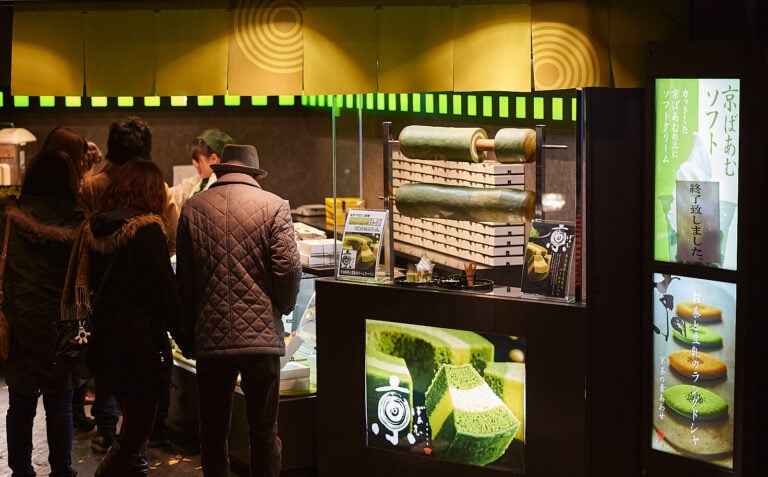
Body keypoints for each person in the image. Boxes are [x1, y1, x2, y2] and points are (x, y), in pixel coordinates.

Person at [176, 144, 302, 477]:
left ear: (220, 170)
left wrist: (188, 335)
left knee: (214, 431)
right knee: (264, 431)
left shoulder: (192, 208)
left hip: (211, 339)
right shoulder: (275, 206)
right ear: (254, 173)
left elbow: (184, 283)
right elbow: (288, 271)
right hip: (261, 341)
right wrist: (282, 309)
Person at [63, 159, 189, 476]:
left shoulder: (98, 227)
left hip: (106, 341)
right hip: (139, 344)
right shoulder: (147, 231)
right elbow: (165, 292)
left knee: (132, 424)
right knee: (136, 432)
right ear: (151, 192)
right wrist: (187, 339)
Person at [78, 117, 180, 454]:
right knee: (145, 385)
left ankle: (107, 430)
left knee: (110, 367)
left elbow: (83, 242)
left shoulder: (92, 187)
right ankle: (150, 434)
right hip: (141, 306)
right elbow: (174, 238)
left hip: (102, 299)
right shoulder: (157, 189)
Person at [2, 143, 87, 477]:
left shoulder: (8, 219)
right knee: (60, 403)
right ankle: (62, 470)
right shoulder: (81, 224)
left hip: (19, 320)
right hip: (62, 324)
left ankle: (21, 469)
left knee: (21, 402)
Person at [170, 128, 233, 207]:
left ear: (214, 158)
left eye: (197, 159)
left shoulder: (221, 183)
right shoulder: (201, 178)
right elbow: (180, 192)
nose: (194, 164)